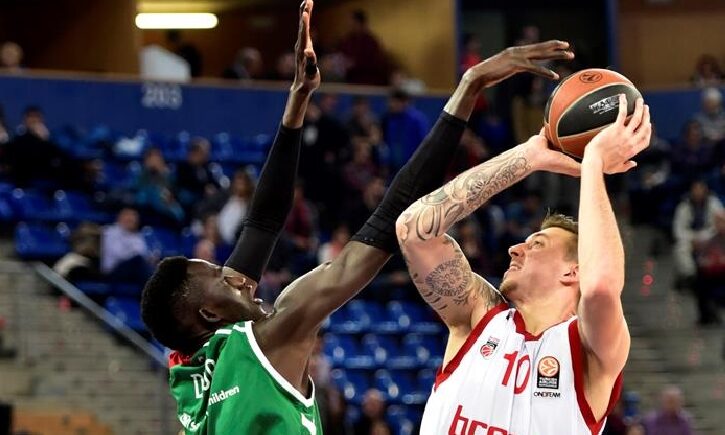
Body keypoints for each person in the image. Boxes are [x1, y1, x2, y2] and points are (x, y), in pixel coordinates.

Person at [140, 1, 574, 430]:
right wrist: (468, 88)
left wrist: (297, 100)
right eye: (224, 278)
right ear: (210, 315)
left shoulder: (189, 373)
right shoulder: (271, 336)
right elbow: (387, 221)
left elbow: (262, 224)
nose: (239, 275)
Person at [396, 93, 651, 434]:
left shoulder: (587, 349)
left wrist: (593, 163)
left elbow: (602, 287)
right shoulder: (479, 317)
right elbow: (414, 230)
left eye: (537, 245)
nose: (515, 249)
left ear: (573, 271)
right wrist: (526, 157)